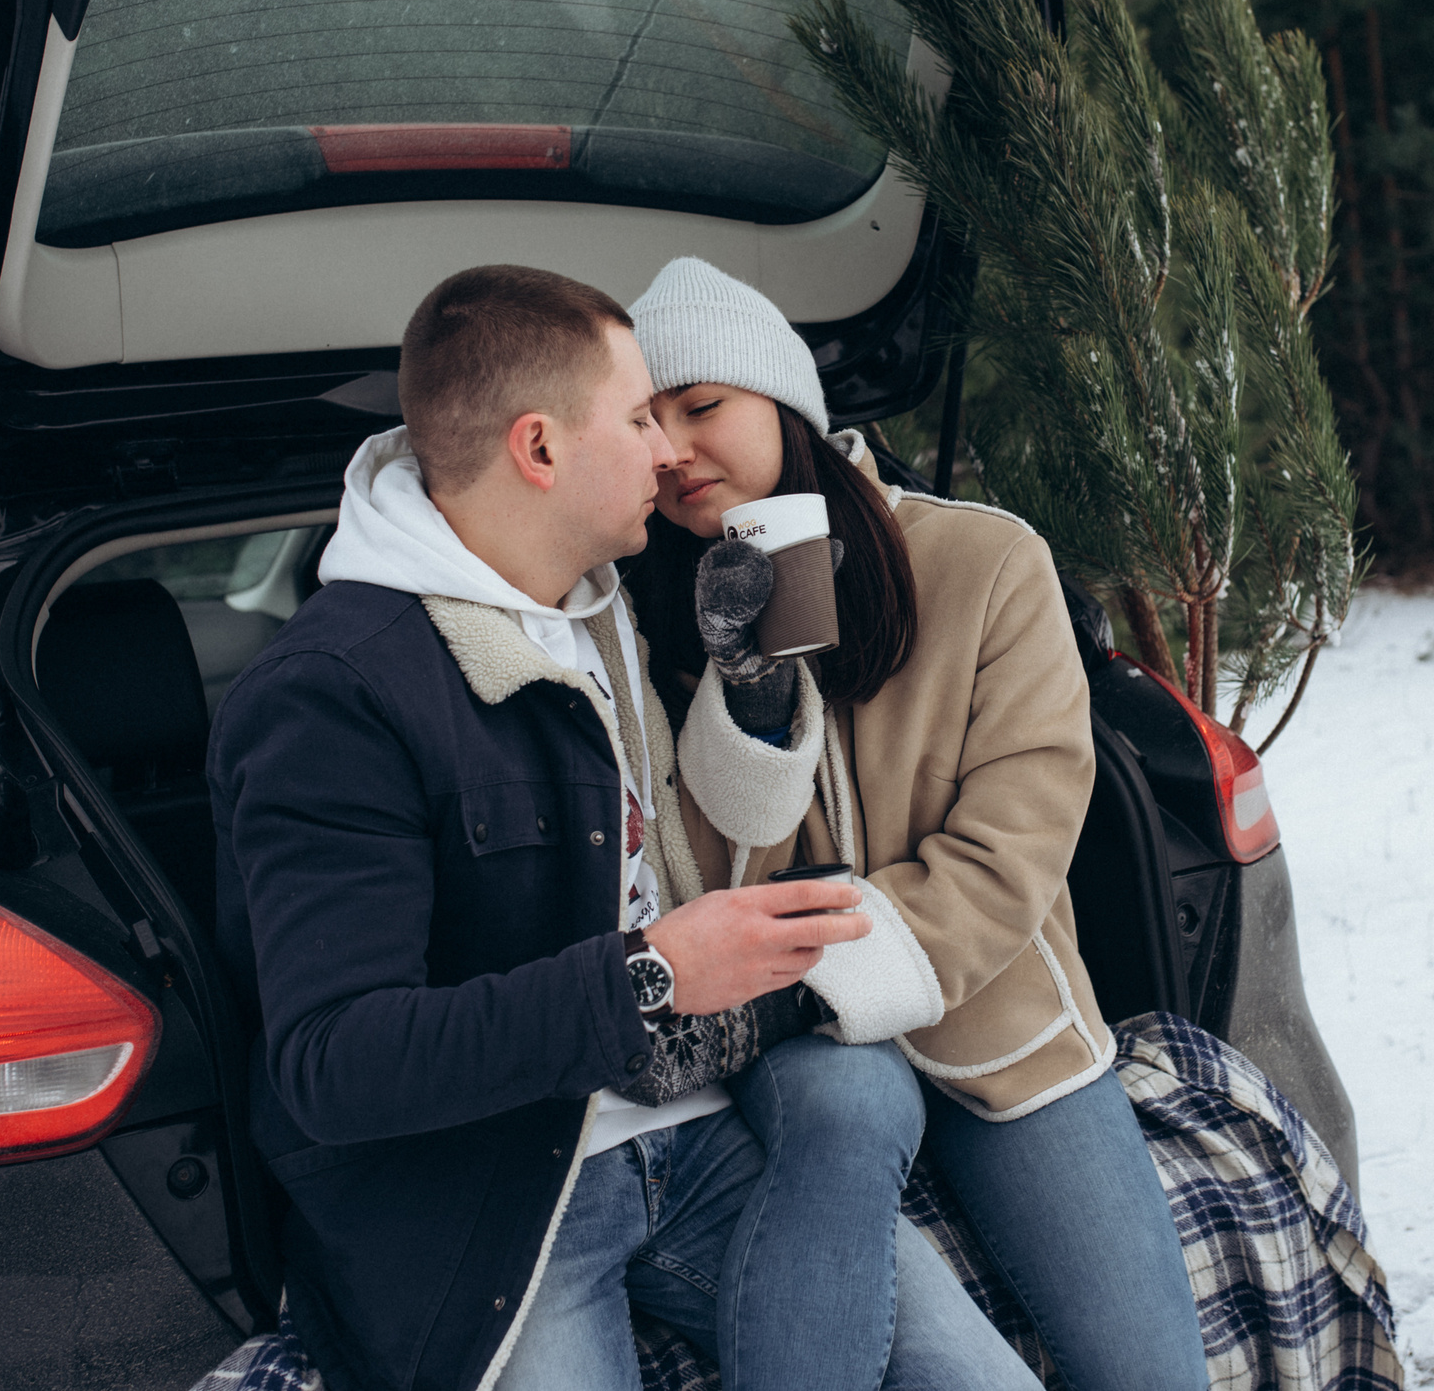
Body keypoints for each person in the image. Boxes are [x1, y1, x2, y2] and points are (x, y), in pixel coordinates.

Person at [208, 265, 1040, 1391]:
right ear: (540, 449)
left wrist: (756, 685)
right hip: (499, 1196)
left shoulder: (599, 611)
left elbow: (717, 828)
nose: (667, 450)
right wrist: (647, 976)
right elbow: (334, 1063)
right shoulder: (333, 693)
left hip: (695, 1132)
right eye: (642, 414)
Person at [625, 258, 1209, 1391]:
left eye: (703, 407)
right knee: (844, 1109)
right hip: (798, 1048)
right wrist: (747, 681)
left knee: (1151, 1372)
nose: (675, 446)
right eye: (647, 421)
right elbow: (708, 873)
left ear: (786, 405)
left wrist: (819, 975)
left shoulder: (984, 560)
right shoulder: (646, 604)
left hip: (1003, 1024)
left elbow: (1015, 845)